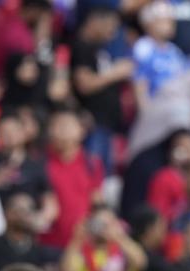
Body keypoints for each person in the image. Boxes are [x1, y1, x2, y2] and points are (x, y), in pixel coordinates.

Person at [69, 7, 132, 174]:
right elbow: (84, 83)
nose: (112, 33)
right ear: (95, 22)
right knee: (93, 174)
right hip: (93, 125)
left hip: (106, 125)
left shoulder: (100, 49)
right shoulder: (82, 46)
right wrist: (116, 73)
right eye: (110, 26)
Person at [41, 109, 104, 249]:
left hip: (82, 244)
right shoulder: (40, 162)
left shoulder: (92, 163)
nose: (63, 130)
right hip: (47, 243)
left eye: (68, 125)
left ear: (81, 130)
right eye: (57, 125)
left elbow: (97, 200)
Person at [133, 1, 190, 110]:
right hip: (155, 108)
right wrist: (146, 113)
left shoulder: (174, 51)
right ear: (148, 23)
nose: (170, 24)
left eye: (171, 21)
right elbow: (140, 83)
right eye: (164, 20)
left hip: (175, 105)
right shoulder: (143, 48)